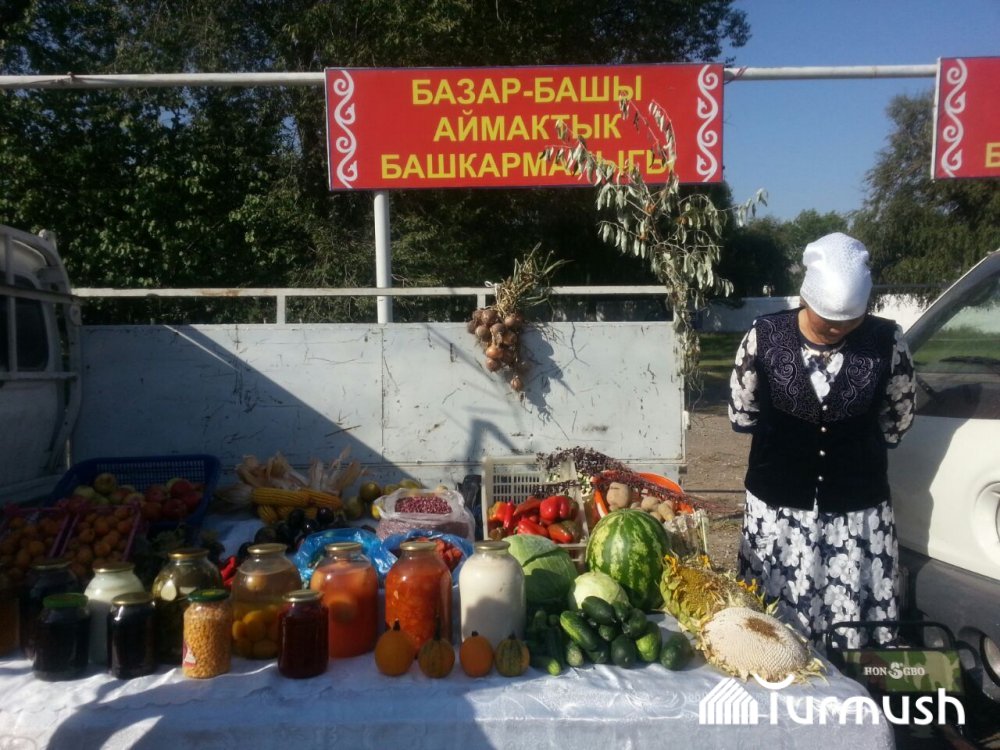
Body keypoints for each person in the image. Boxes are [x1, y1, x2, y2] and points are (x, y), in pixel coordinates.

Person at [728, 232, 915, 649]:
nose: (837, 328)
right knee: (771, 638)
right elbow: (743, 410)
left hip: (856, 514)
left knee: (852, 633)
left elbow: (898, 416)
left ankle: (852, 680)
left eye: (849, 320)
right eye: (826, 318)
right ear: (804, 298)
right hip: (778, 512)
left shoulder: (887, 340)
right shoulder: (765, 335)